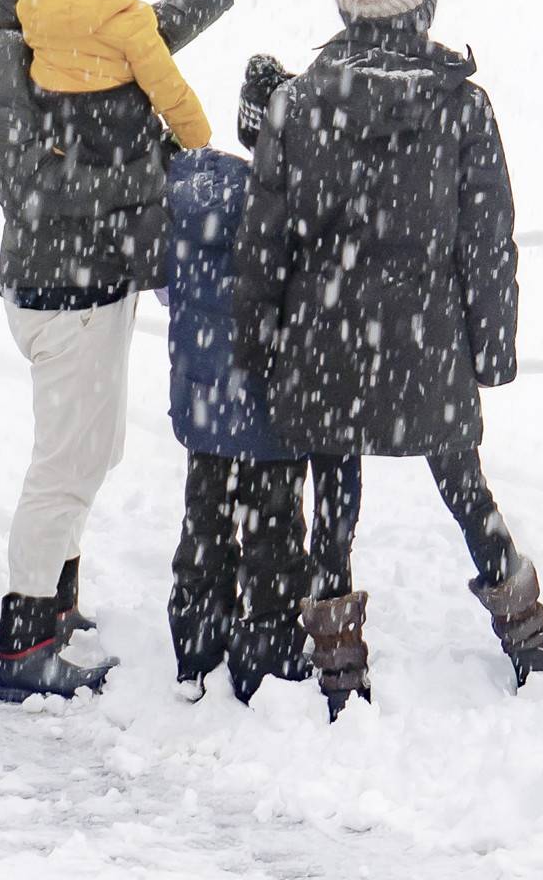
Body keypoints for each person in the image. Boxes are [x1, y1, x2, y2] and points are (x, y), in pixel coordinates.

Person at [0, 0, 299, 703]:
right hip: (58, 287)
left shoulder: (66, 28)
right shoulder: (5, 56)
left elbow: (158, 25)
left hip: (94, 283)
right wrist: (152, 183)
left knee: (92, 454)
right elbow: (35, 191)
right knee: (63, 469)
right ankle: (26, 644)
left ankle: (56, 606)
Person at [236, 0, 543, 713]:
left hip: (325, 340)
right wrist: (490, 350)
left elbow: (265, 242)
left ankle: (339, 668)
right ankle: (528, 639)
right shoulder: (461, 105)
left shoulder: (296, 104)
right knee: (465, 487)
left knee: (333, 502)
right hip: (428, 340)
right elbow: (487, 241)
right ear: (423, 15)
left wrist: (256, 344)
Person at [161, 54, 358, 704]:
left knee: (205, 526)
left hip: (206, 409)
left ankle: (195, 647)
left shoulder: (191, 198)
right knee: (274, 535)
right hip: (274, 416)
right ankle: (264, 655)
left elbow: (172, 295)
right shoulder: (300, 216)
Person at [15, 0, 215, 153]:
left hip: (65, 151)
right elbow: (168, 90)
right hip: (129, 151)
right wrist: (198, 140)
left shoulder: (34, 14)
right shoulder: (129, 22)